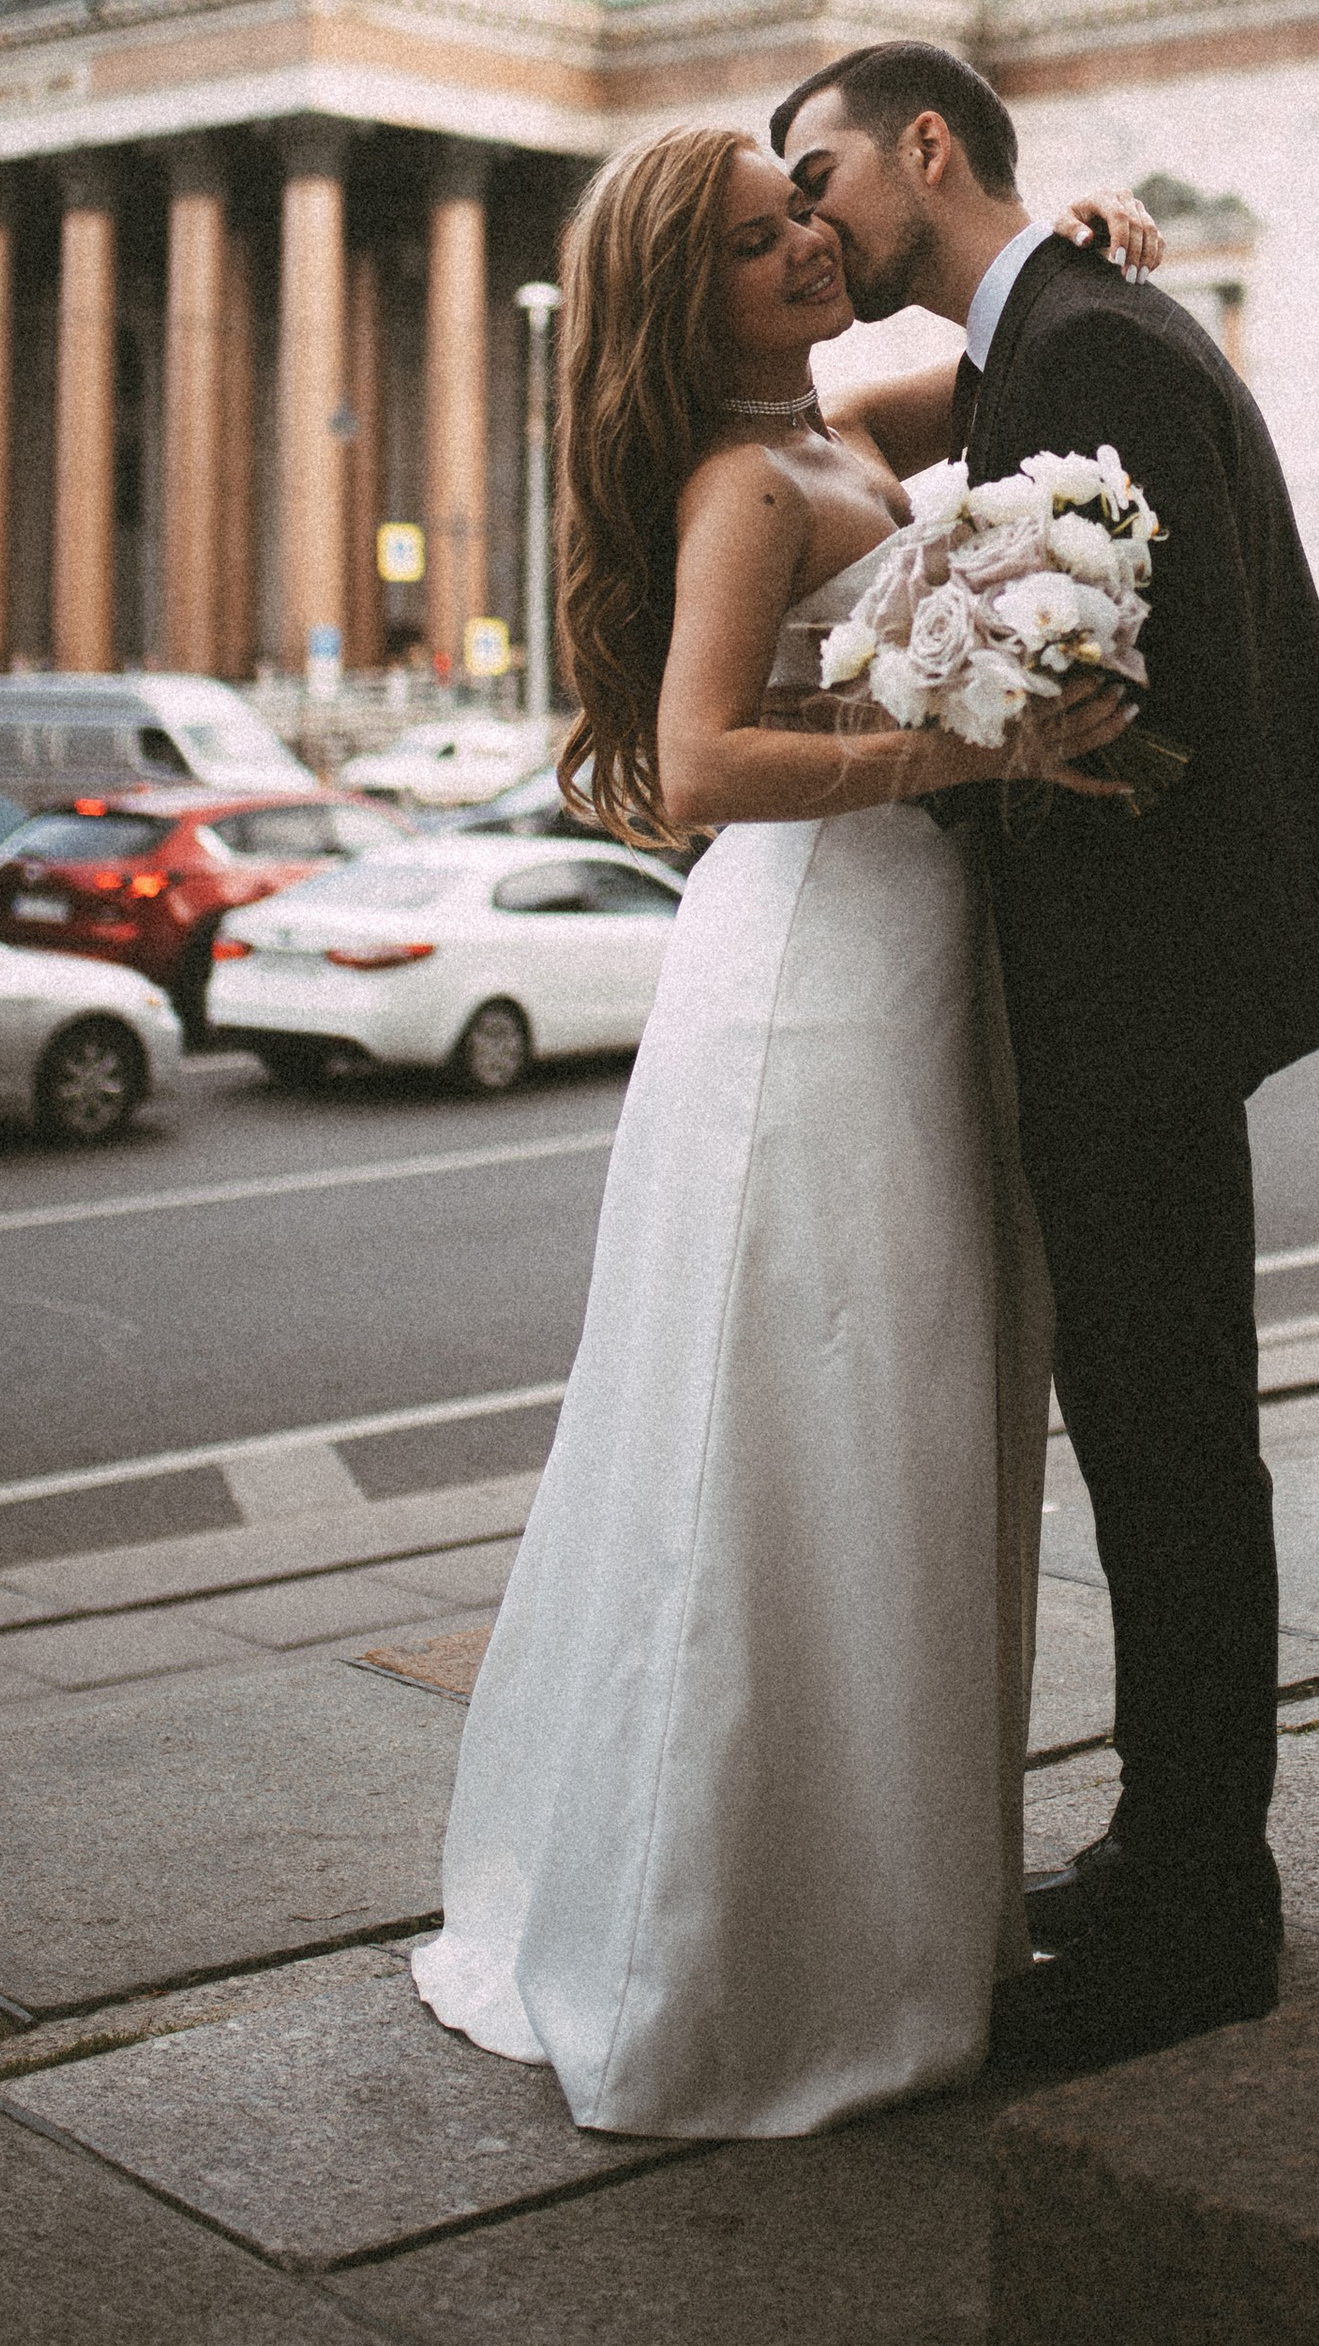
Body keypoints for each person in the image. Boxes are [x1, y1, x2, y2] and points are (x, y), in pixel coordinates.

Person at [412, 122, 1159, 2136]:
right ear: (687, 294)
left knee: (896, 1417)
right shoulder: (747, 480)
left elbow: (996, 342)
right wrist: (967, 741)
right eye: (756, 243)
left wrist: (1061, 232)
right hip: (809, 972)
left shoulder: (833, 425)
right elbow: (694, 764)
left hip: (904, 967)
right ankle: (733, 1961)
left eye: (798, 213)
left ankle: (871, 1918)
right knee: (801, 1420)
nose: (805, 247)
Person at [775, 41, 1319, 2077]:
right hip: (1126, 981)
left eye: (820, 173)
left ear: (923, 144)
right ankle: (1167, 1850)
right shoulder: (1048, 327)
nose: (806, 217)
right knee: (1150, 1439)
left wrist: (954, 777)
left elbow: (1158, 692)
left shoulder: (1083, 344)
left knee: (1165, 1447)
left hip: (1132, 984)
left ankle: (1201, 1903)